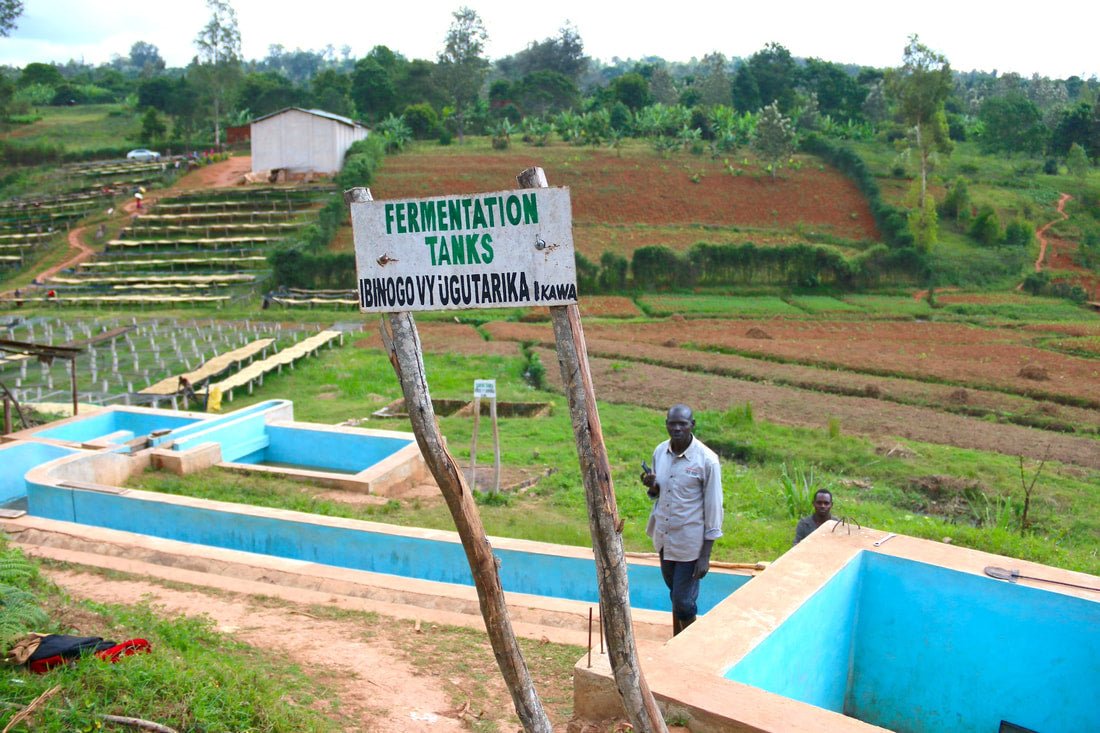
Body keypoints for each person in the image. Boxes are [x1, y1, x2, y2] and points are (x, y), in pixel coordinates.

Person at [641, 403, 723, 636]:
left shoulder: (707, 460)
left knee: (683, 600)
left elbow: (714, 506)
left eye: (682, 424)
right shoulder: (660, 452)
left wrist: (706, 554)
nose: (676, 428)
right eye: (672, 423)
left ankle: (691, 644)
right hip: (665, 537)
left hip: (690, 541)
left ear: (692, 425)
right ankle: (677, 639)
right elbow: (659, 493)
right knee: (675, 595)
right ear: (666, 424)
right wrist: (652, 486)